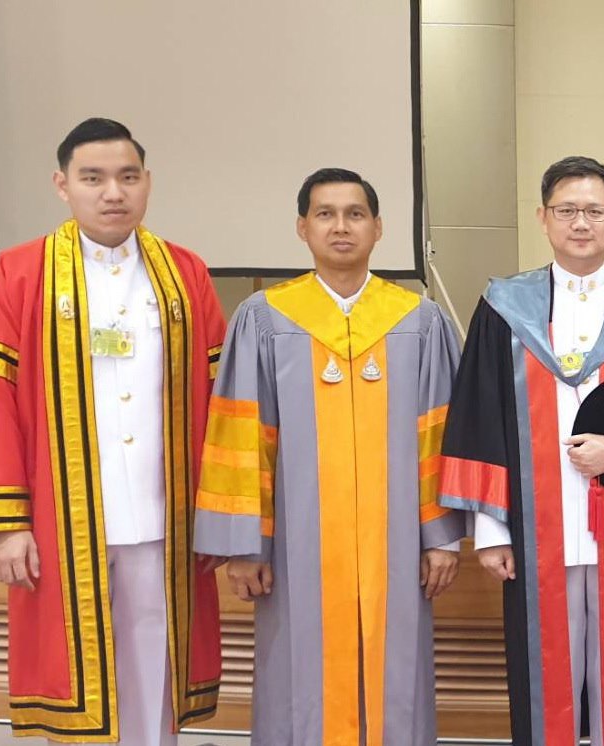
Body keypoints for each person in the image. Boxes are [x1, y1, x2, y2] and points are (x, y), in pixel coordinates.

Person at [0, 117, 225, 744]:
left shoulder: (185, 273)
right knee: (76, 679)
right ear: (62, 184)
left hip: (165, 520)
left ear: (147, 181)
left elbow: (223, 403)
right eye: (94, 178)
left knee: (155, 672)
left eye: (128, 177)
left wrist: (220, 513)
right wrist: (6, 523)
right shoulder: (21, 272)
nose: (113, 193)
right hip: (63, 519)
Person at [438, 155, 604, 745]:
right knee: (546, 671)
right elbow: (480, 416)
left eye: (594, 211)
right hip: (536, 525)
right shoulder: (504, 307)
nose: (581, 223)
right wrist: (491, 531)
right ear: (543, 218)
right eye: (567, 210)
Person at [192, 168, 464, 745]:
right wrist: (245, 546)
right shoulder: (265, 319)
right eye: (325, 214)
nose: (341, 226)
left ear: (378, 228)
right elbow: (243, 437)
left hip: (397, 548)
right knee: (299, 676)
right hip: (296, 549)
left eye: (355, 214)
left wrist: (441, 538)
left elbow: (439, 436)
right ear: (303, 227)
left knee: (396, 675)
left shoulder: (419, 321)